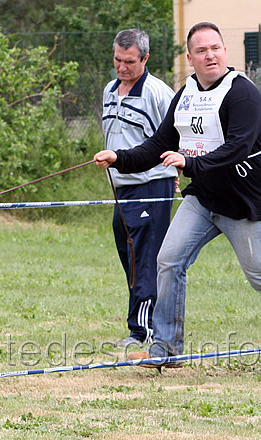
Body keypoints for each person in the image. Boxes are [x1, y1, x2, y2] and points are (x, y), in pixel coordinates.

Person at [94, 21, 261, 366]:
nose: (210, 55)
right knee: (168, 259)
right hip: (202, 199)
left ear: (225, 52)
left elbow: (239, 147)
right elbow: (159, 144)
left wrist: (189, 162)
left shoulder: (242, 92)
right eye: (201, 50)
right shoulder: (185, 95)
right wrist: (120, 158)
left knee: (258, 275)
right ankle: (165, 350)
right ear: (190, 57)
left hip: (243, 202)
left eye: (215, 48)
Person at [102, 29, 177, 348]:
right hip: (121, 189)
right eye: (118, 60)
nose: (122, 67)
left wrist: (175, 169)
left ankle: (141, 332)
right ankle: (148, 318)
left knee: (145, 258)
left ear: (145, 59)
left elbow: (176, 135)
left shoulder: (159, 93)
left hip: (151, 184)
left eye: (129, 61)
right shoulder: (109, 90)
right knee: (129, 256)